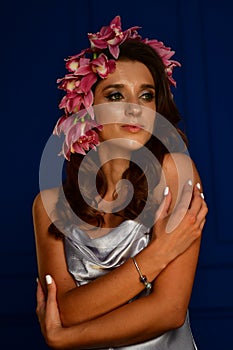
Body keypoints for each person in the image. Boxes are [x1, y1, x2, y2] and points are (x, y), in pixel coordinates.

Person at [33, 15, 208, 349]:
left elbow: (168, 311)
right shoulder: (48, 206)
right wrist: (160, 253)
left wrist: (63, 339)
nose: (134, 109)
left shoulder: (175, 172)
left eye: (146, 96)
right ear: (85, 109)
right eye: (115, 96)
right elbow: (65, 309)